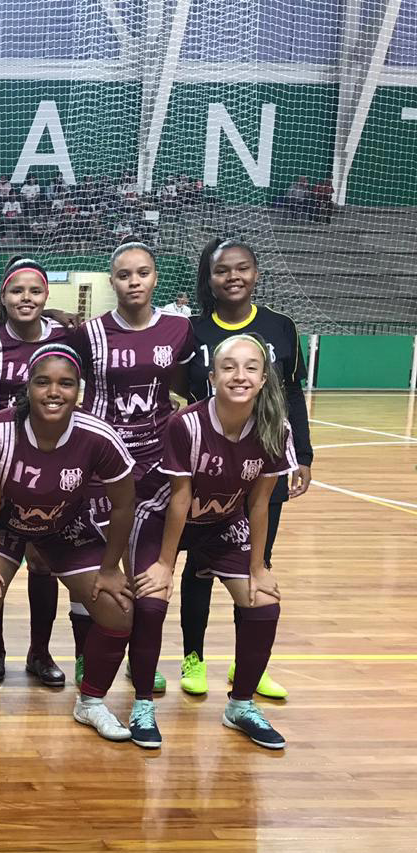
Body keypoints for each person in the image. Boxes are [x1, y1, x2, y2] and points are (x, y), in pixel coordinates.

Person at [0, 343, 137, 743]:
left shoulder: (96, 435)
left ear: (79, 389)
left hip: (64, 525)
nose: (54, 392)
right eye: (43, 382)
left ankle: (91, 702)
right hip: (4, 524)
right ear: (28, 387)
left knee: (119, 609)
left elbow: (125, 503)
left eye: (65, 383)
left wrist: (110, 568)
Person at [132, 334, 295, 749]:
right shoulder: (186, 424)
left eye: (251, 368)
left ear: (263, 379)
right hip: (161, 518)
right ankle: (142, 705)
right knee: (152, 600)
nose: (240, 375)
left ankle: (240, 706)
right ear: (212, 376)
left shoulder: (275, 427)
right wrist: (165, 564)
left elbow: (259, 502)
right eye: (229, 367)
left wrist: (258, 567)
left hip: (221, 522)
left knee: (263, 602)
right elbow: (179, 499)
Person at [177, 239, 313, 699]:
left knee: (257, 562)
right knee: (199, 566)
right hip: (208, 467)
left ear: (256, 274)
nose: (232, 277)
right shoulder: (192, 332)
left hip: (263, 463)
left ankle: (247, 664)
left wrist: (303, 455)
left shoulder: (280, 326)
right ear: (209, 278)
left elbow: (291, 395)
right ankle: (193, 658)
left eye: (242, 268)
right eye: (222, 270)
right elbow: (179, 392)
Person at [74, 242, 195, 693]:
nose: (134, 282)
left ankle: (140, 660)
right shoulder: (91, 333)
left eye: (142, 273)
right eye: (124, 275)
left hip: (155, 466)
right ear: (112, 281)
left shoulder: (179, 329)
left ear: (156, 277)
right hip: (101, 466)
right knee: (97, 564)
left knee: (143, 568)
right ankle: (86, 656)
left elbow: (185, 388)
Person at [0, 257, 75, 687]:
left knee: (42, 560)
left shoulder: (65, 336)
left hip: (48, 460)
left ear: (46, 294)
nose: (26, 298)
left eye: (35, 291)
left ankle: (40, 652)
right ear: (3, 296)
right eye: (17, 290)